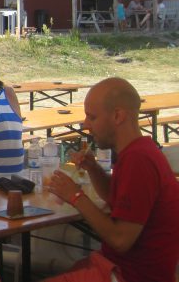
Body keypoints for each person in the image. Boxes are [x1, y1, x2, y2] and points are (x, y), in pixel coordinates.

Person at [45, 78, 179, 282]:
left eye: (92, 117)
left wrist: (75, 196)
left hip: (130, 276)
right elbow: (116, 197)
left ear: (117, 115)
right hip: (119, 267)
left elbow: (120, 239)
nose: (85, 125)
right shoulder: (138, 151)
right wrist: (94, 169)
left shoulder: (138, 159)